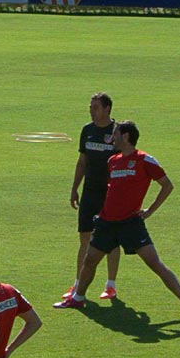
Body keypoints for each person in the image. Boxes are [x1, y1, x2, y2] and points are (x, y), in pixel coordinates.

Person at [57, 123, 180, 321]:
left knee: (154, 263)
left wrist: (149, 210)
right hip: (106, 223)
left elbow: (167, 185)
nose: (111, 138)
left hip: (130, 224)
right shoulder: (113, 161)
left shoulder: (144, 160)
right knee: (90, 261)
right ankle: (78, 298)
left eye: (114, 134)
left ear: (125, 136)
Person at [64, 93, 121, 304]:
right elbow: (82, 162)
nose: (91, 110)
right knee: (85, 238)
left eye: (95, 107)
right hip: (89, 192)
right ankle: (78, 284)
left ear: (107, 109)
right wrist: (74, 188)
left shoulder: (117, 132)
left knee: (112, 240)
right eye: (90, 107)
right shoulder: (87, 131)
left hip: (110, 194)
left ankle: (111, 285)